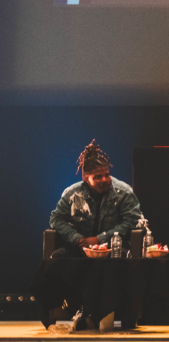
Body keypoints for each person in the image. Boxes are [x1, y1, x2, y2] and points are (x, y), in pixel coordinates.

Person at [49, 140, 143, 329]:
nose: (104, 180)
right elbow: (56, 218)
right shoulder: (72, 194)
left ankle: (108, 313)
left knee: (119, 261)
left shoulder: (123, 192)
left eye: (107, 174)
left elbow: (133, 221)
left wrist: (101, 238)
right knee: (57, 258)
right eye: (98, 177)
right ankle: (72, 308)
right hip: (81, 247)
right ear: (86, 177)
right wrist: (76, 238)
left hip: (112, 248)